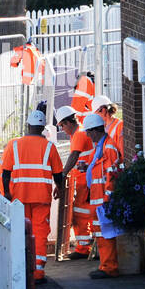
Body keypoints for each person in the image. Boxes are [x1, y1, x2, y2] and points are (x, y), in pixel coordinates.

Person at [1, 108, 65, 284]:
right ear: (42, 127)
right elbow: (58, 173)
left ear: (28, 126)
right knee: (39, 232)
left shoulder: (15, 145)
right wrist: (59, 188)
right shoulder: (49, 147)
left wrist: (6, 191)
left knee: (21, 231)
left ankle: (22, 269)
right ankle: (37, 272)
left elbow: (5, 172)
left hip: (19, 197)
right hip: (41, 197)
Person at [83, 112, 124, 279]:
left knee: (105, 233)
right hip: (98, 197)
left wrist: (108, 197)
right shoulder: (102, 147)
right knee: (101, 233)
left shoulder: (107, 148)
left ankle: (109, 267)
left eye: (88, 132)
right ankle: (105, 265)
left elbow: (112, 174)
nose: (87, 136)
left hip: (102, 199)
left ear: (94, 131)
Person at [55, 105, 94, 259]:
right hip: (86, 181)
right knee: (88, 214)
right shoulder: (81, 132)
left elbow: (73, 156)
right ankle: (90, 247)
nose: (63, 129)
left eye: (62, 126)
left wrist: (62, 174)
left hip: (85, 182)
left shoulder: (78, 135)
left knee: (80, 214)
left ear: (68, 122)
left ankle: (84, 248)